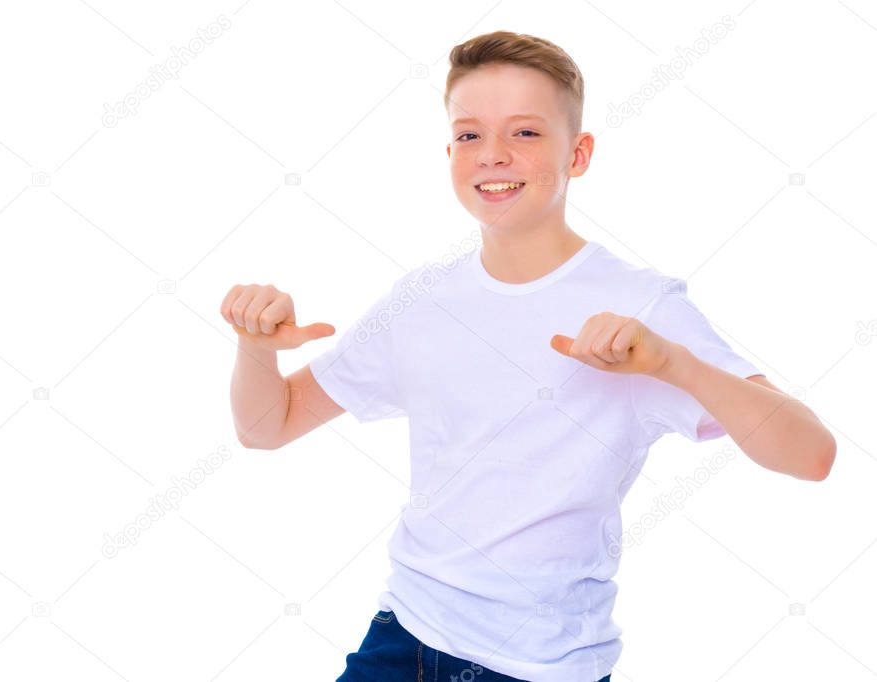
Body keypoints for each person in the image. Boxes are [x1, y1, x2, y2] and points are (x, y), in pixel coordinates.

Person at [221, 29, 835, 682]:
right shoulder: (422, 299)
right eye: (468, 135)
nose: (492, 155)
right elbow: (268, 427)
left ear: (579, 153)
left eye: (524, 133)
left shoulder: (641, 305)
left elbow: (811, 455)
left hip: (541, 667)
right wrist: (254, 351)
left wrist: (671, 365)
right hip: (403, 640)